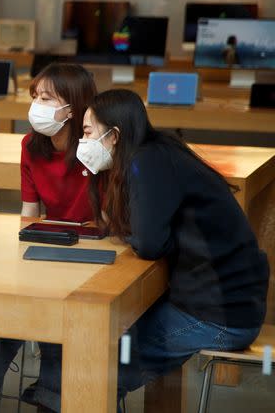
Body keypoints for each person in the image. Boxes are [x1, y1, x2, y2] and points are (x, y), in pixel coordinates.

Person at [34, 88, 268, 412]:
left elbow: (148, 243)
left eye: (87, 132)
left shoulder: (146, 163)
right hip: (225, 302)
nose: (82, 142)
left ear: (114, 135)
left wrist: (160, 238)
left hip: (219, 315)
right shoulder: (156, 153)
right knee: (89, 351)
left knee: (92, 368)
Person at [0, 63, 97, 408]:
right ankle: (42, 385)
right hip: (50, 239)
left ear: (74, 106)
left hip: (92, 245)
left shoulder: (95, 146)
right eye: (36, 96)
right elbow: (29, 211)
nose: (37, 105)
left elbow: (106, 217)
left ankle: (13, 379)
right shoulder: (31, 145)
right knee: (23, 291)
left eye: (47, 97)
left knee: (53, 295)